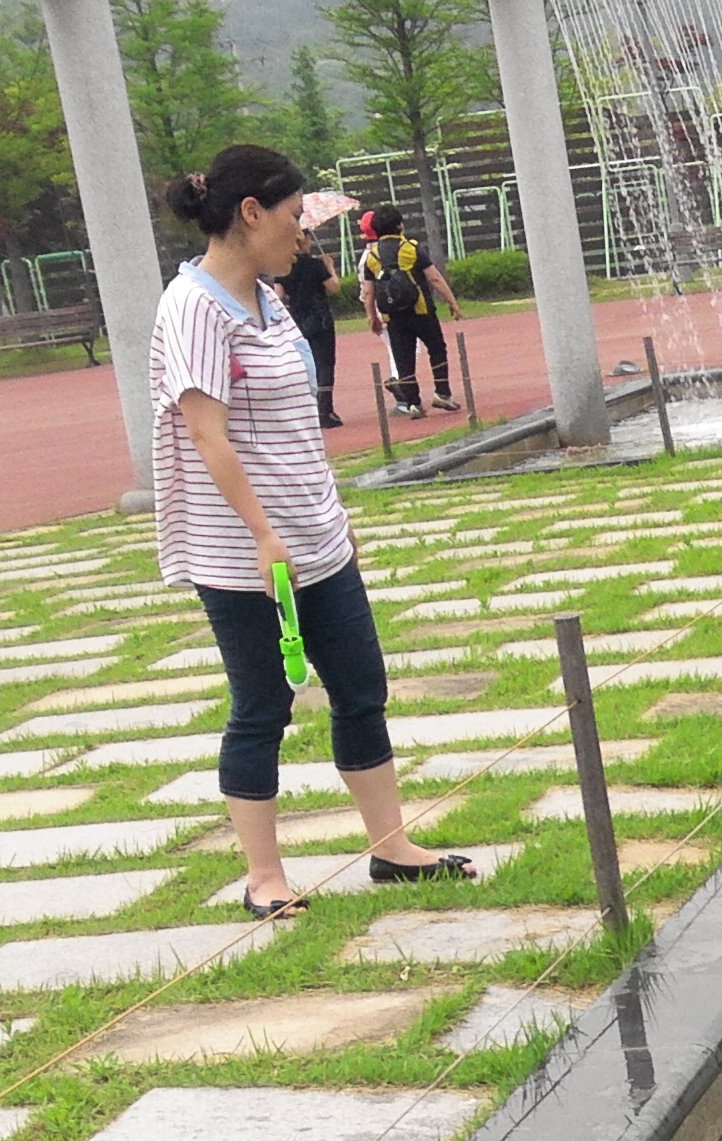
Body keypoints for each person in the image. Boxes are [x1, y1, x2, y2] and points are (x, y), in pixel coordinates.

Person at [151, 145, 471, 918]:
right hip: (247, 555)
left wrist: (331, 519)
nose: (304, 235)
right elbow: (209, 438)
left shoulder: (271, 298)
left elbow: (294, 427)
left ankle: (390, 847)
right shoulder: (192, 306)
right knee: (262, 705)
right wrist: (264, 538)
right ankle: (265, 879)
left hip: (317, 539)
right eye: (294, 218)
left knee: (362, 688)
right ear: (250, 214)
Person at [357, 206, 459, 417]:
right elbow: (434, 277)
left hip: (392, 315)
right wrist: (452, 302)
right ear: (400, 225)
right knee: (437, 348)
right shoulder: (411, 248)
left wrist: (371, 316)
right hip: (420, 309)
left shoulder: (372, 257)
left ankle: (413, 403)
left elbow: (368, 291)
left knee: (403, 358)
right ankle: (442, 393)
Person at [273, 229, 343, 430]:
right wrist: (330, 267)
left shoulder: (283, 268)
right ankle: (325, 409)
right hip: (320, 317)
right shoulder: (316, 265)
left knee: (304, 363)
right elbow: (334, 287)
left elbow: (278, 295)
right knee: (325, 364)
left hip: (298, 319)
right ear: (306, 243)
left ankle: (307, 409)